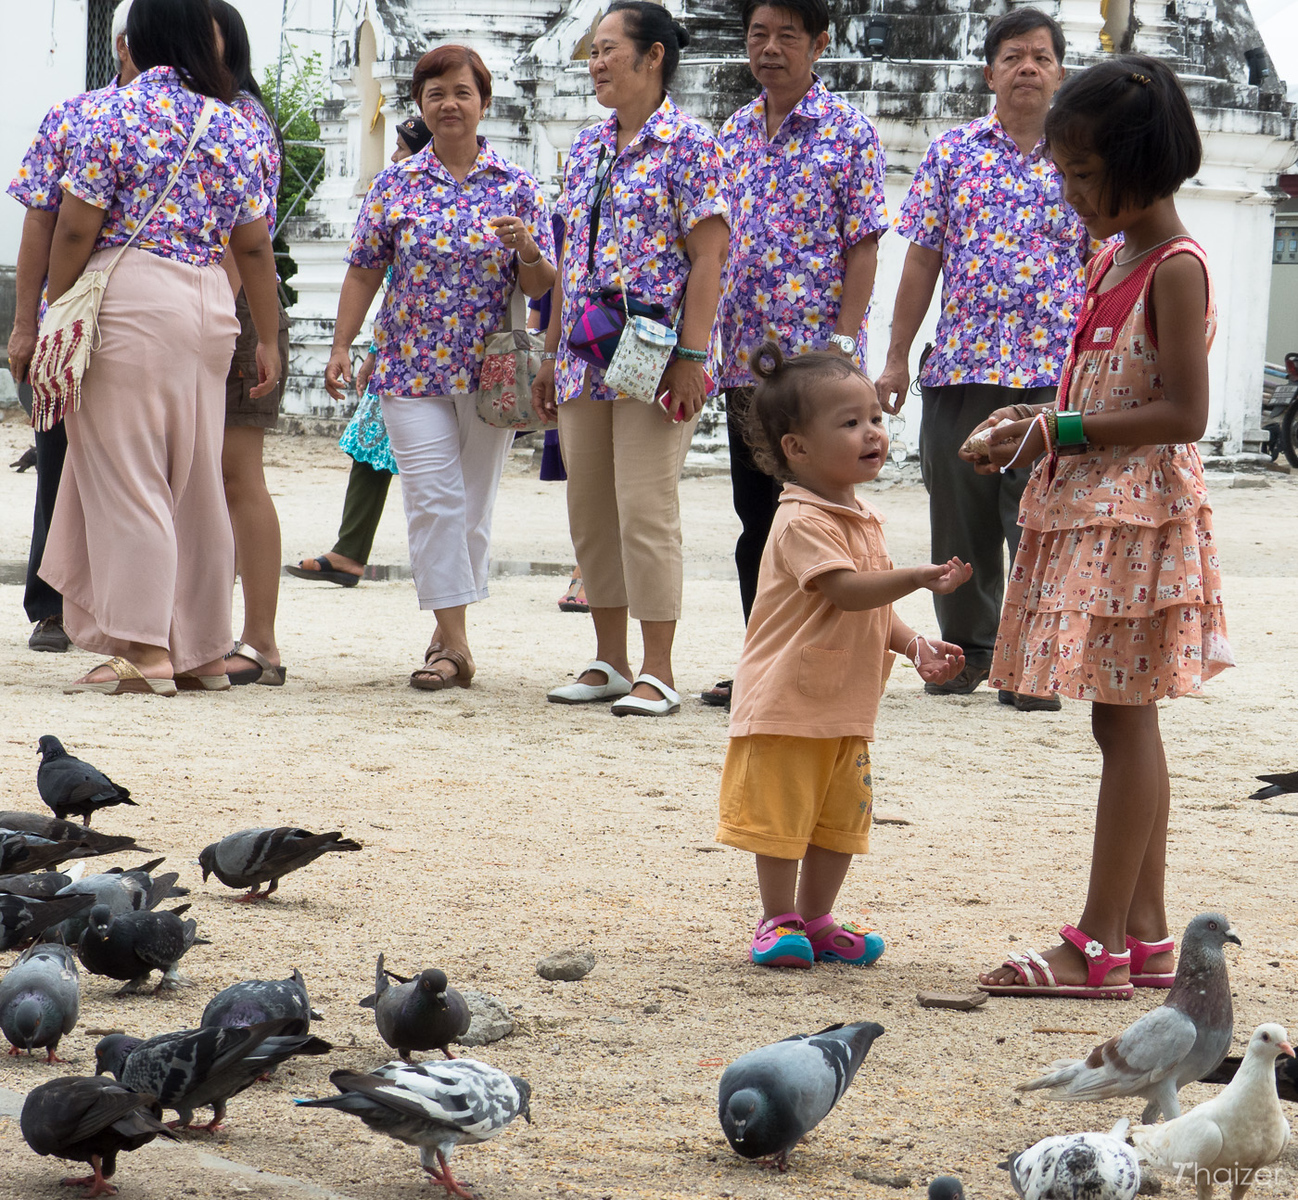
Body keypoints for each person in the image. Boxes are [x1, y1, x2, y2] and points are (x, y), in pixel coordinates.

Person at [969, 56, 1232, 998]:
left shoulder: (1176, 267)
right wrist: (1031, 421)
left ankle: (1097, 944)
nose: (1071, 192)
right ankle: (1148, 932)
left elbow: (1185, 414)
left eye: (1084, 175)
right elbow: (1105, 382)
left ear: (1142, 164)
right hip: (1097, 507)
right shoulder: (1112, 256)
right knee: (1123, 723)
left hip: (1139, 517)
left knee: (1125, 725)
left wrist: (1061, 429)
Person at [39, 0, 281, 695]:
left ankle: (145, 649)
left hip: (130, 293)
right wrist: (268, 336)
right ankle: (202, 648)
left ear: (138, 39)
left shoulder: (113, 115)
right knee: (197, 480)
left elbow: (77, 228)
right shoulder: (235, 122)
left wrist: (59, 308)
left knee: (128, 474)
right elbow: (254, 244)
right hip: (209, 300)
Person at [715, 342, 970, 968]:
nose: (871, 434)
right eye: (850, 423)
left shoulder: (862, 516)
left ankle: (819, 917)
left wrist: (914, 645)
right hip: (787, 702)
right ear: (796, 449)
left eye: (875, 420)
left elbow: (871, 610)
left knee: (838, 821)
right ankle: (777, 918)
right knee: (781, 819)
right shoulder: (801, 518)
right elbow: (843, 590)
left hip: (844, 704)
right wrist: (915, 576)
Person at [324, 45, 556, 691]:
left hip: (491, 374)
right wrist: (342, 345)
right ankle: (456, 647)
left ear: (483, 102)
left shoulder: (518, 186)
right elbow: (365, 267)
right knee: (434, 500)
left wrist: (530, 249)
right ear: (421, 106)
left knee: (472, 508)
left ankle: (443, 637)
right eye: (435, 95)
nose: (448, 104)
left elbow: (542, 285)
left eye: (461, 92)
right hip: (408, 369)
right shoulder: (395, 184)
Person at [878, 7, 1089, 712]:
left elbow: (1108, 263)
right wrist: (897, 357)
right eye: (1012, 56)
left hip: (1053, 373)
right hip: (962, 366)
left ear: (1060, 72)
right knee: (960, 516)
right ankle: (969, 652)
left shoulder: (1086, 156)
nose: (1027, 67)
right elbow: (921, 261)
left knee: (1040, 518)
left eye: (1041, 56)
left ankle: (1033, 664)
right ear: (990, 72)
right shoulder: (953, 153)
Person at [534, 1, 730, 716]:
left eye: (609, 49)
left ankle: (658, 668)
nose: (596, 62)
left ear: (653, 58)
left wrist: (693, 355)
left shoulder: (691, 145)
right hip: (586, 351)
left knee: (646, 506)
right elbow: (565, 257)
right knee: (590, 509)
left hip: (655, 350)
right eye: (592, 51)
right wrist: (549, 353)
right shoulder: (587, 146)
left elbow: (710, 257)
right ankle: (609, 660)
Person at [703, 0, 890, 711]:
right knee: (758, 519)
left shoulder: (849, 131)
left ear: (818, 44)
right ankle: (762, 656)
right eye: (759, 34)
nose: (770, 48)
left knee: (822, 514)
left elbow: (864, 245)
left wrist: (844, 349)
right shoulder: (732, 133)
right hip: (745, 361)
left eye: (787, 35)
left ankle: (838, 654)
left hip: (818, 367)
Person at [6, 0, 138, 654]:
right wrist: (27, 321)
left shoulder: (207, 122)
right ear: (125, 47)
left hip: (152, 316)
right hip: (71, 314)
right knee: (57, 458)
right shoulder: (75, 115)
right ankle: (50, 603)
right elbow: (39, 218)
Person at [287, 116, 431, 589]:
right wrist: (366, 349)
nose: (393, 159)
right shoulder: (398, 194)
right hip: (395, 347)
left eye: (402, 149)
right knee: (373, 446)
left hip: (429, 355)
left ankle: (359, 551)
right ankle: (350, 549)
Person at [211, 0, 292, 687]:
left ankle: (260, 639)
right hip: (218, 305)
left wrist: (218, 306)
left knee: (238, 475)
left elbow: (248, 234)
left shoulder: (239, 118)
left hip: (229, 308)